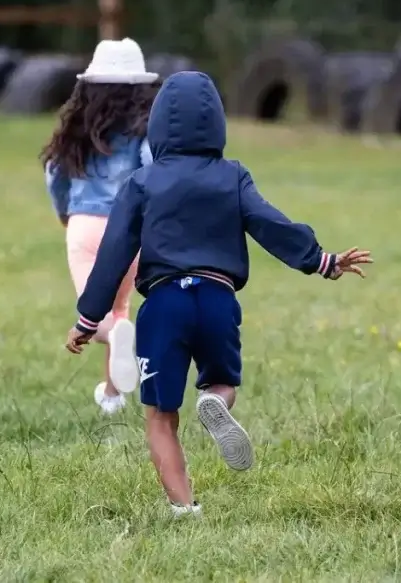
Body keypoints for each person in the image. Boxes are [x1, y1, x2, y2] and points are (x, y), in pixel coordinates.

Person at [63, 71, 373, 517]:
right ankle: (214, 401)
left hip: (164, 305)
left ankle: (185, 508)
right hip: (217, 298)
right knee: (222, 381)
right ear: (216, 124)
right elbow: (270, 223)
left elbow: (113, 255)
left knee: (160, 417)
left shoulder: (142, 183)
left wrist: (88, 318)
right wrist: (321, 260)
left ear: (159, 126)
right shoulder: (233, 176)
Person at [42, 37, 161, 415]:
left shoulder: (78, 128)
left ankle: (127, 354)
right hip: (132, 231)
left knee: (95, 315)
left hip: (85, 227)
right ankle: (112, 397)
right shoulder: (146, 129)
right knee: (119, 309)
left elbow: (54, 174)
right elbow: (152, 166)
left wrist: (64, 213)